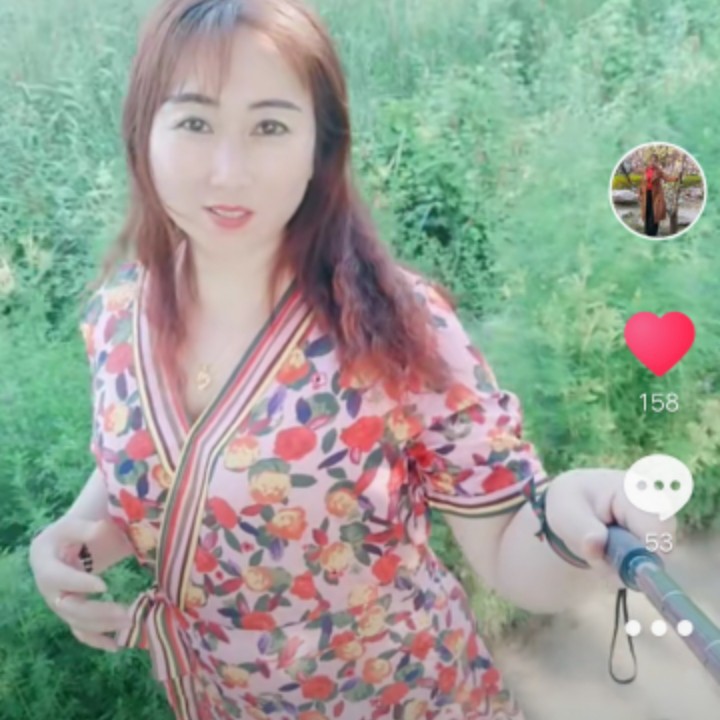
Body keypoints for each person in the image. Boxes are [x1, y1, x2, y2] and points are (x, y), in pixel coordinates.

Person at [28, 1, 674, 718]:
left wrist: (575, 521)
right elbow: (170, 464)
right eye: (195, 123)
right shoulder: (119, 316)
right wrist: (74, 542)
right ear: (142, 132)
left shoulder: (393, 327)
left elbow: (507, 552)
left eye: (270, 126)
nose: (228, 172)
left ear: (320, 145)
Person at [638, 153, 679, 237]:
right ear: (649, 161)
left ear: (656, 162)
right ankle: (647, 230)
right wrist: (640, 193)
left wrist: (676, 178)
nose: (653, 162)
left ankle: (653, 232)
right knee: (647, 212)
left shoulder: (658, 171)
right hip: (646, 194)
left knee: (655, 213)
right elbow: (642, 183)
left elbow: (666, 177)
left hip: (656, 195)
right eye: (651, 160)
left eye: (655, 161)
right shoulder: (645, 170)